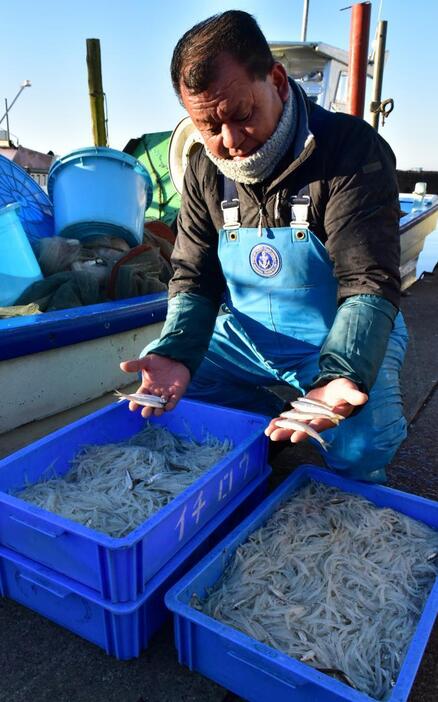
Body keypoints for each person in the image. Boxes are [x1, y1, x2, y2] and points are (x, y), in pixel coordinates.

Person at [121, 10, 408, 482]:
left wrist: (344, 370)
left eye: (242, 116)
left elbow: (368, 282)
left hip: (334, 336)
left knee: (362, 440)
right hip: (248, 337)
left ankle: (341, 441)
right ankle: (264, 428)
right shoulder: (203, 168)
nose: (230, 141)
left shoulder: (351, 149)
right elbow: (195, 276)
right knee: (179, 388)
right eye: (209, 127)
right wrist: (176, 349)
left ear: (276, 81)